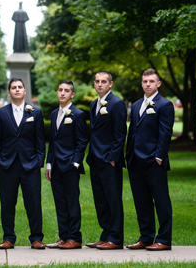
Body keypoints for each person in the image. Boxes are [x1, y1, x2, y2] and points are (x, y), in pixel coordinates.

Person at [0, 78, 45, 249]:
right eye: (13, 87)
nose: (16, 90)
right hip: (7, 165)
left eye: (19, 87)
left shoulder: (35, 113)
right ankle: (8, 238)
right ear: (9, 92)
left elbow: (40, 140)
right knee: (7, 203)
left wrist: (38, 162)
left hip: (30, 165)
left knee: (34, 203)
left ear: (24, 91)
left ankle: (36, 238)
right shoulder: (0, 113)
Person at [125, 69, 174, 251]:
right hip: (136, 162)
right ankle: (146, 237)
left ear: (158, 84)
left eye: (151, 81)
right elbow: (133, 131)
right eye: (145, 81)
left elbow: (165, 133)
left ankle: (164, 240)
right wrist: (128, 155)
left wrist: (159, 156)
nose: (147, 84)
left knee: (161, 201)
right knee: (141, 201)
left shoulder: (165, 105)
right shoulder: (137, 105)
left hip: (154, 161)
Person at [44, 81, 88, 249]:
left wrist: (75, 163)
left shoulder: (78, 114)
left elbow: (82, 141)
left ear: (72, 94)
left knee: (72, 202)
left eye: (66, 91)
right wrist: (49, 164)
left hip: (70, 166)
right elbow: (53, 141)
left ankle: (75, 238)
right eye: (60, 90)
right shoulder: (55, 113)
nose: (63, 93)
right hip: (55, 166)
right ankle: (63, 237)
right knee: (60, 203)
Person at [86, 71, 127, 250]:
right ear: (94, 84)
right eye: (97, 81)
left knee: (113, 200)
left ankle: (116, 238)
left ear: (110, 84)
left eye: (104, 81)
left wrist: (112, 158)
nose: (100, 84)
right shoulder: (94, 104)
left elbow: (120, 134)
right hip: (95, 160)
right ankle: (105, 234)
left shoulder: (117, 103)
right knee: (101, 200)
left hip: (109, 161)